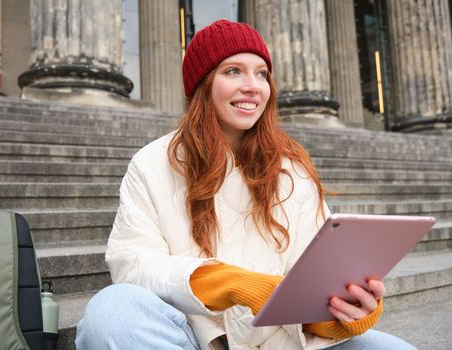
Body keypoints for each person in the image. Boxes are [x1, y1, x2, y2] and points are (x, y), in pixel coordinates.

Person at [75, 19, 416, 350]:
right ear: (202, 84)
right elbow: (133, 265)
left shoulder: (292, 170)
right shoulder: (152, 163)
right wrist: (233, 285)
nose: (253, 85)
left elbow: (314, 279)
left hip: (281, 341)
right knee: (112, 312)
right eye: (233, 71)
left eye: (262, 73)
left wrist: (350, 311)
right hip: (193, 337)